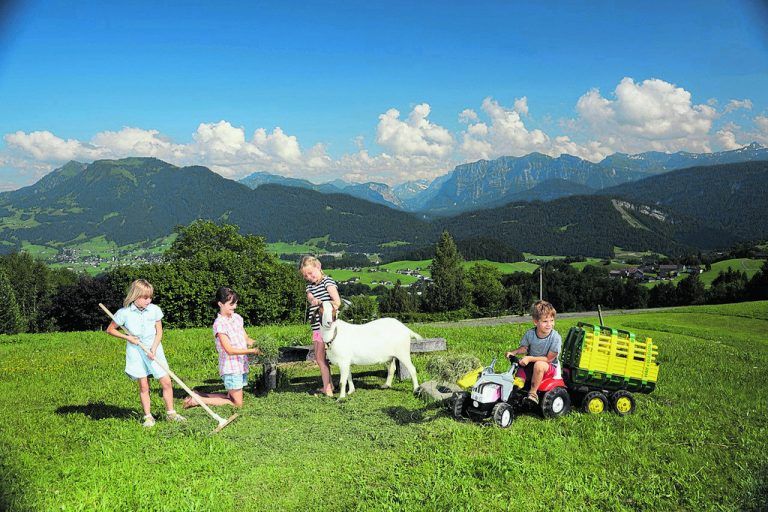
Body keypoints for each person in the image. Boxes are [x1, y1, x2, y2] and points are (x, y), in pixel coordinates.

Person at [106, 279, 186, 427]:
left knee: (166, 382)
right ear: (135, 296)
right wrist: (128, 337)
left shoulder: (155, 310)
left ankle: (171, 413)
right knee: (144, 385)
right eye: (145, 298)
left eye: (150, 297)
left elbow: (159, 331)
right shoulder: (124, 313)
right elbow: (110, 330)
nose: (148, 300)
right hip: (136, 350)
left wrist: (154, 349)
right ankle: (148, 417)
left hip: (154, 348)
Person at [183, 287, 262, 410]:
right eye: (231, 304)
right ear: (220, 304)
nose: (234, 306)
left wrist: (260, 344)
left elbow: (246, 339)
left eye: (235, 303)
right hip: (231, 367)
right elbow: (229, 350)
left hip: (241, 364)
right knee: (237, 404)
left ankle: (198, 395)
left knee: (230, 397)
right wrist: (253, 351)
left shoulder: (237, 318)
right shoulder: (219, 324)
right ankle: (198, 400)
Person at [504, 300, 562, 405]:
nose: (549, 324)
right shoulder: (530, 334)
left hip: (549, 366)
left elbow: (549, 359)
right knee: (520, 364)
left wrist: (530, 358)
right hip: (531, 363)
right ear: (536, 322)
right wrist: (514, 352)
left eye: (552, 320)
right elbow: (524, 348)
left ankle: (533, 394)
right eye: (545, 321)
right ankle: (515, 389)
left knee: (539, 365)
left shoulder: (555, 338)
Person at [299, 255, 341, 397]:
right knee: (319, 357)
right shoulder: (310, 287)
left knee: (320, 357)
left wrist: (323, 304)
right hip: (316, 328)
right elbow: (310, 297)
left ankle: (327, 389)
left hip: (326, 328)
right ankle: (329, 385)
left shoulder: (327, 282)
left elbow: (337, 302)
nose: (309, 277)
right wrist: (312, 299)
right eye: (306, 276)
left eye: (311, 273)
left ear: (319, 267)